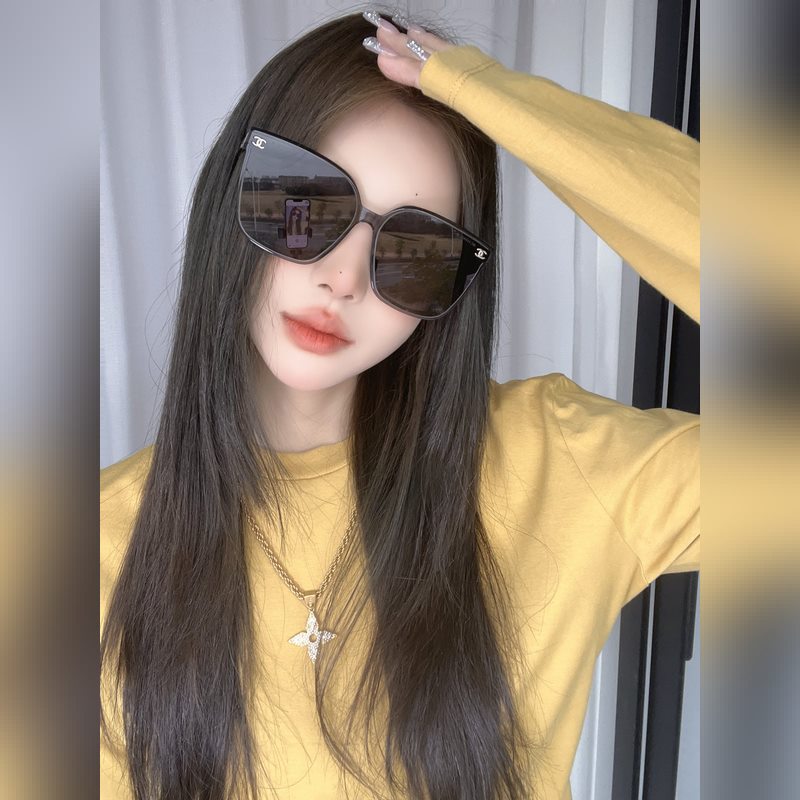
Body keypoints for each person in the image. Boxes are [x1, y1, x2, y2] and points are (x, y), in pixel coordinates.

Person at [100, 9, 699, 800]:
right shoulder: (89, 552)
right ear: (232, 191)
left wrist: (503, 102)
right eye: (304, 201)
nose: (343, 279)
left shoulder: (565, 466)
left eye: (415, 250)